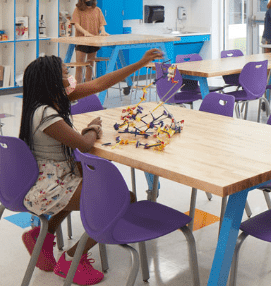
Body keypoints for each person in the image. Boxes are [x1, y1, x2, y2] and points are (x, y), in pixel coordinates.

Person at [18, 48, 164, 285]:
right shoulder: (46, 115)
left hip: (53, 179)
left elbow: (99, 84)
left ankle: (42, 236)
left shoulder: (47, 101)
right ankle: (72, 258)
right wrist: (93, 129)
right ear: (54, 82)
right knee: (123, 199)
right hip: (48, 188)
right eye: (67, 73)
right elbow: (85, 145)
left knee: (87, 179)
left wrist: (140, 63)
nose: (72, 77)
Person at [69, 0, 107, 83]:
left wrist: (103, 31)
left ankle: (88, 87)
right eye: (88, 0)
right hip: (81, 41)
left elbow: (101, 24)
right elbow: (76, 24)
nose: (90, 1)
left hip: (93, 41)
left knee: (90, 66)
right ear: (83, 0)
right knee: (79, 66)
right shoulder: (78, 10)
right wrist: (85, 32)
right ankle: (77, 88)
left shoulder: (97, 10)